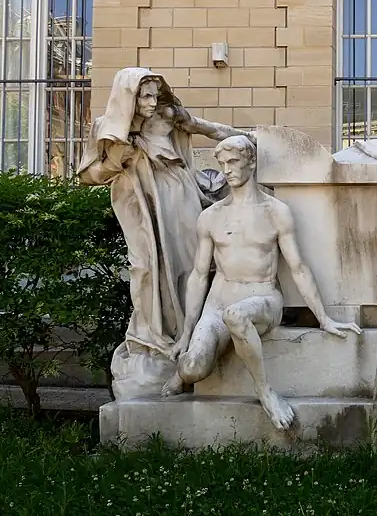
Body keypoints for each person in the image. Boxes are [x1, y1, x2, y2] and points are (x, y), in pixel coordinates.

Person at [161, 135, 362, 430]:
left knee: (237, 315)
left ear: (251, 163)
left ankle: (265, 392)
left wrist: (324, 318)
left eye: (234, 162)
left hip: (263, 299)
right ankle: (183, 372)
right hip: (218, 303)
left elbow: (298, 267)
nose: (226, 170)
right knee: (193, 368)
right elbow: (199, 275)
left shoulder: (275, 212)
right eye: (222, 164)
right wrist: (185, 334)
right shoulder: (211, 217)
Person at [77, 68, 253, 399]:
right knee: (144, 268)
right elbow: (89, 174)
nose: (151, 101)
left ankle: (190, 338)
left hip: (178, 194)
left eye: (155, 94)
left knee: (188, 264)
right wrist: (122, 156)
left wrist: (248, 138)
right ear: (128, 95)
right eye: (144, 95)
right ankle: (151, 338)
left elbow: (208, 128)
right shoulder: (107, 128)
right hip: (136, 202)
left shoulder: (167, 115)